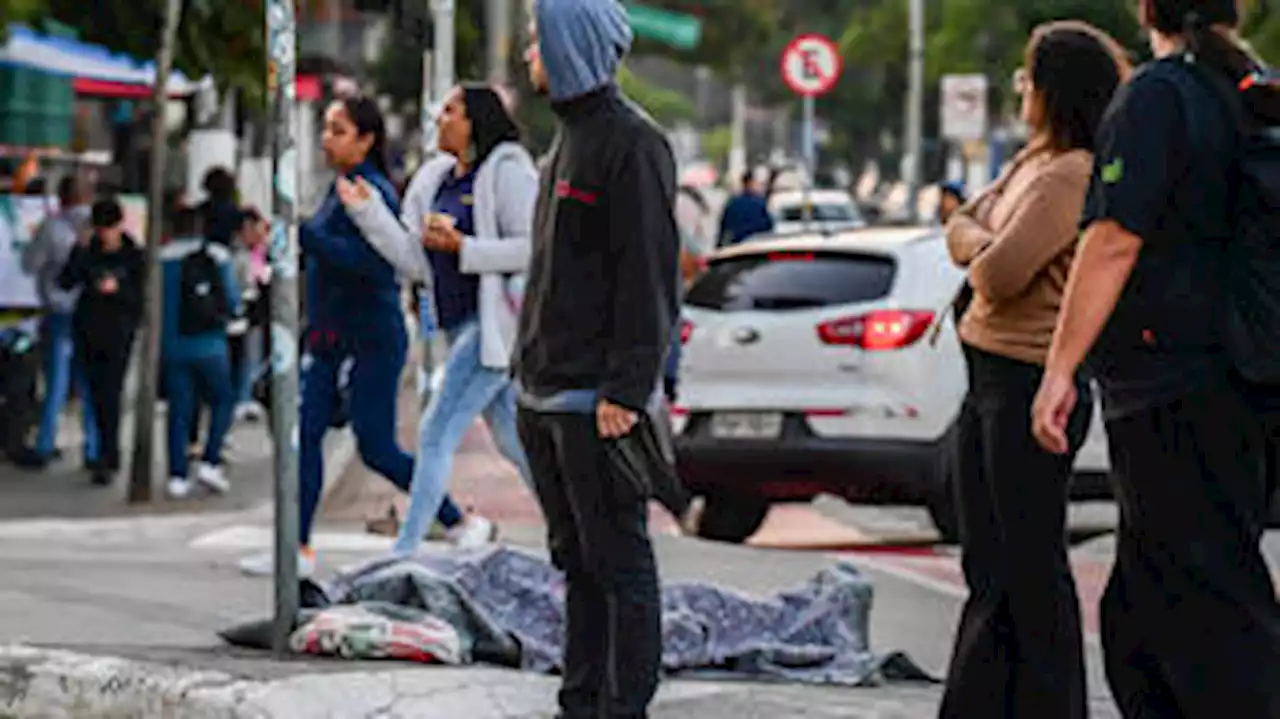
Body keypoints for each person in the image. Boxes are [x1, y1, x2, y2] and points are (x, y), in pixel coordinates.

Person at [1032, 2, 1280, 716]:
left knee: (1210, 589)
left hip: (1172, 379)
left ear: (1148, 9)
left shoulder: (1157, 94)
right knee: (1141, 603)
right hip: (1250, 367)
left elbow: (1112, 239)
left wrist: (1060, 368)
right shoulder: (1255, 90)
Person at [938, 21, 1129, 719]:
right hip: (983, 375)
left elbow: (998, 270)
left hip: (1026, 378)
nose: (1020, 87)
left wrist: (974, 239)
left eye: (1028, 76)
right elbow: (960, 223)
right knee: (986, 562)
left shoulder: (1071, 172)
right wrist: (974, 236)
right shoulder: (1028, 161)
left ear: (1056, 89)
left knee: (1027, 565)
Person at [517, 2, 680, 716]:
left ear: (567, 44)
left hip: (596, 401)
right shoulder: (564, 140)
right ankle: (578, 698)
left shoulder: (633, 144)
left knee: (620, 563)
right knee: (575, 561)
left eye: (538, 38)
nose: (530, 51)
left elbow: (649, 273)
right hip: (544, 396)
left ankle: (625, 703)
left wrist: (628, 385)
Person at [237, 96, 467, 578]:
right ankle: (294, 548)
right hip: (327, 340)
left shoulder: (368, 191)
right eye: (325, 128)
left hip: (369, 341)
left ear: (366, 140)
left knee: (376, 447)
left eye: (338, 130)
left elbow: (376, 264)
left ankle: (457, 519)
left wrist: (306, 236)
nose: (326, 138)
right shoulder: (339, 187)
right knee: (303, 437)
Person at [338, 83, 536, 553]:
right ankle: (577, 530)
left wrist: (463, 248)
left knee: (435, 430)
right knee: (514, 441)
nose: (439, 119)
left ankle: (406, 549)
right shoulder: (437, 181)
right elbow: (414, 260)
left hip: (494, 330)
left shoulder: (505, 172)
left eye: (451, 111)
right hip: (457, 324)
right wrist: (370, 213)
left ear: (474, 123)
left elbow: (534, 248)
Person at [15, 175, 99, 471]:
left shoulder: (51, 228)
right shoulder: (99, 227)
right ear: (88, 196)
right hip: (91, 315)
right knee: (90, 384)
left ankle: (45, 443)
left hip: (58, 313)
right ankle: (94, 448)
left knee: (56, 384)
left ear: (61, 198)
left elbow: (29, 264)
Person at [58, 198, 144, 487]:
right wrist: (79, 249)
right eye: (100, 230)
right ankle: (99, 451)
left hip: (119, 332)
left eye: (109, 229)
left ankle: (109, 455)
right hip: (88, 330)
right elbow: (66, 281)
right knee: (94, 395)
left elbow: (141, 298)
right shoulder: (88, 251)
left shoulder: (133, 255)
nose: (105, 236)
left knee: (111, 394)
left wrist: (118, 290)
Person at [159, 208, 241, 499]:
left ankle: (177, 475)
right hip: (210, 344)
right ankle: (210, 459)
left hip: (172, 346)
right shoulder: (216, 256)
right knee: (223, 399)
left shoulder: (161, 258)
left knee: (179, 409)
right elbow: (232, 299)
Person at [717, 169, 774, 247]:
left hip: (738, 245)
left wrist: (719, 245)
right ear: (752, 183)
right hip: (757, 244)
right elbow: (769, 225)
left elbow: (724, 226)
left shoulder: (733, 203)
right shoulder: (759, 202)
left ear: (742, 183)